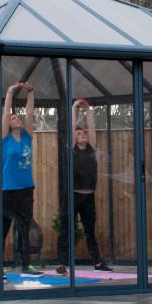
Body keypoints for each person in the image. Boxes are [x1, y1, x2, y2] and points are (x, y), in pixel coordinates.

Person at [56, 99, 113, 275]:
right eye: (79, 133)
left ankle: (97, 262)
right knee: (67, 230)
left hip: (89, 197)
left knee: (90, 231)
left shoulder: (91, 148)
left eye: (84, 133)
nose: (83, 134)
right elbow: (73, 128)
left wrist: (88, 110)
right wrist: (73, 108)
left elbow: (92, 127)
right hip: (73, 196)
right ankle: (62, 263)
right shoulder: (72, 150)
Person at [1, 81, 41, 275]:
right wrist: (10, 92)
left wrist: (30, 93)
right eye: (13, 117)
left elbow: (30, 113)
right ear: (8, 123)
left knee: (24, 228)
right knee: (3, 229)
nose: (16, 118)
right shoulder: (5, 139)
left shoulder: (26, 137)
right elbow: (5, 113)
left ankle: (26, 265)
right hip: (7, 190)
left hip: (26, 189)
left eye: (18, 117)